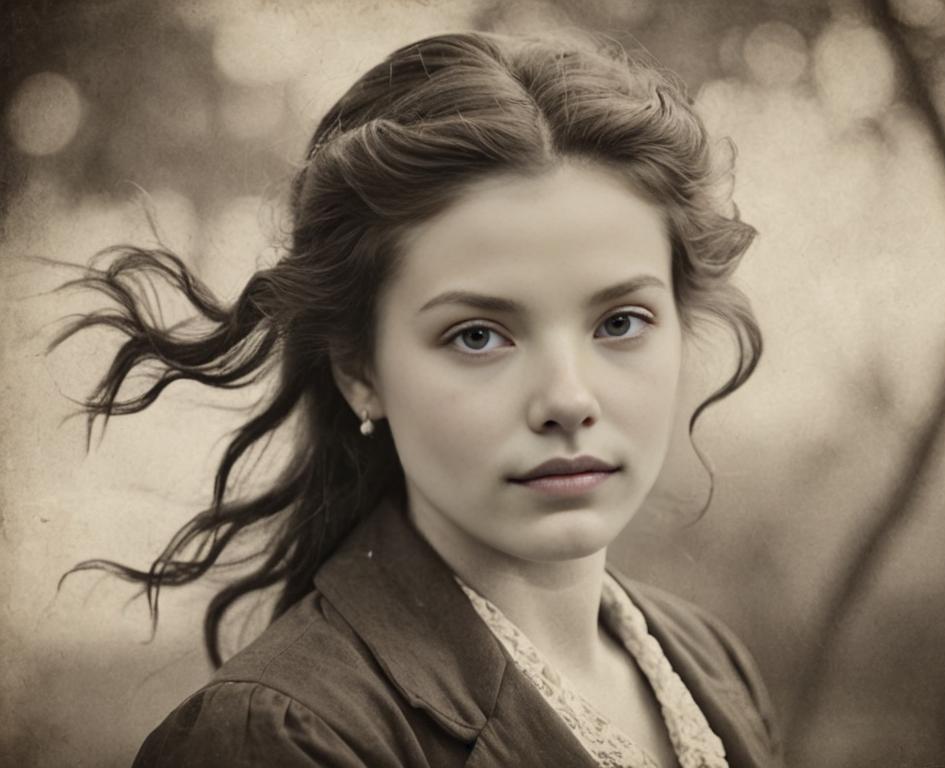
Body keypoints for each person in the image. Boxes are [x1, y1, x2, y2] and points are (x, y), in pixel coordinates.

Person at [53, 30, 780, 767]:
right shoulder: (276, 737)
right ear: (359, 369)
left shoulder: (709, 663)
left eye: (620, 322)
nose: (567, 399)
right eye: (478, 336)